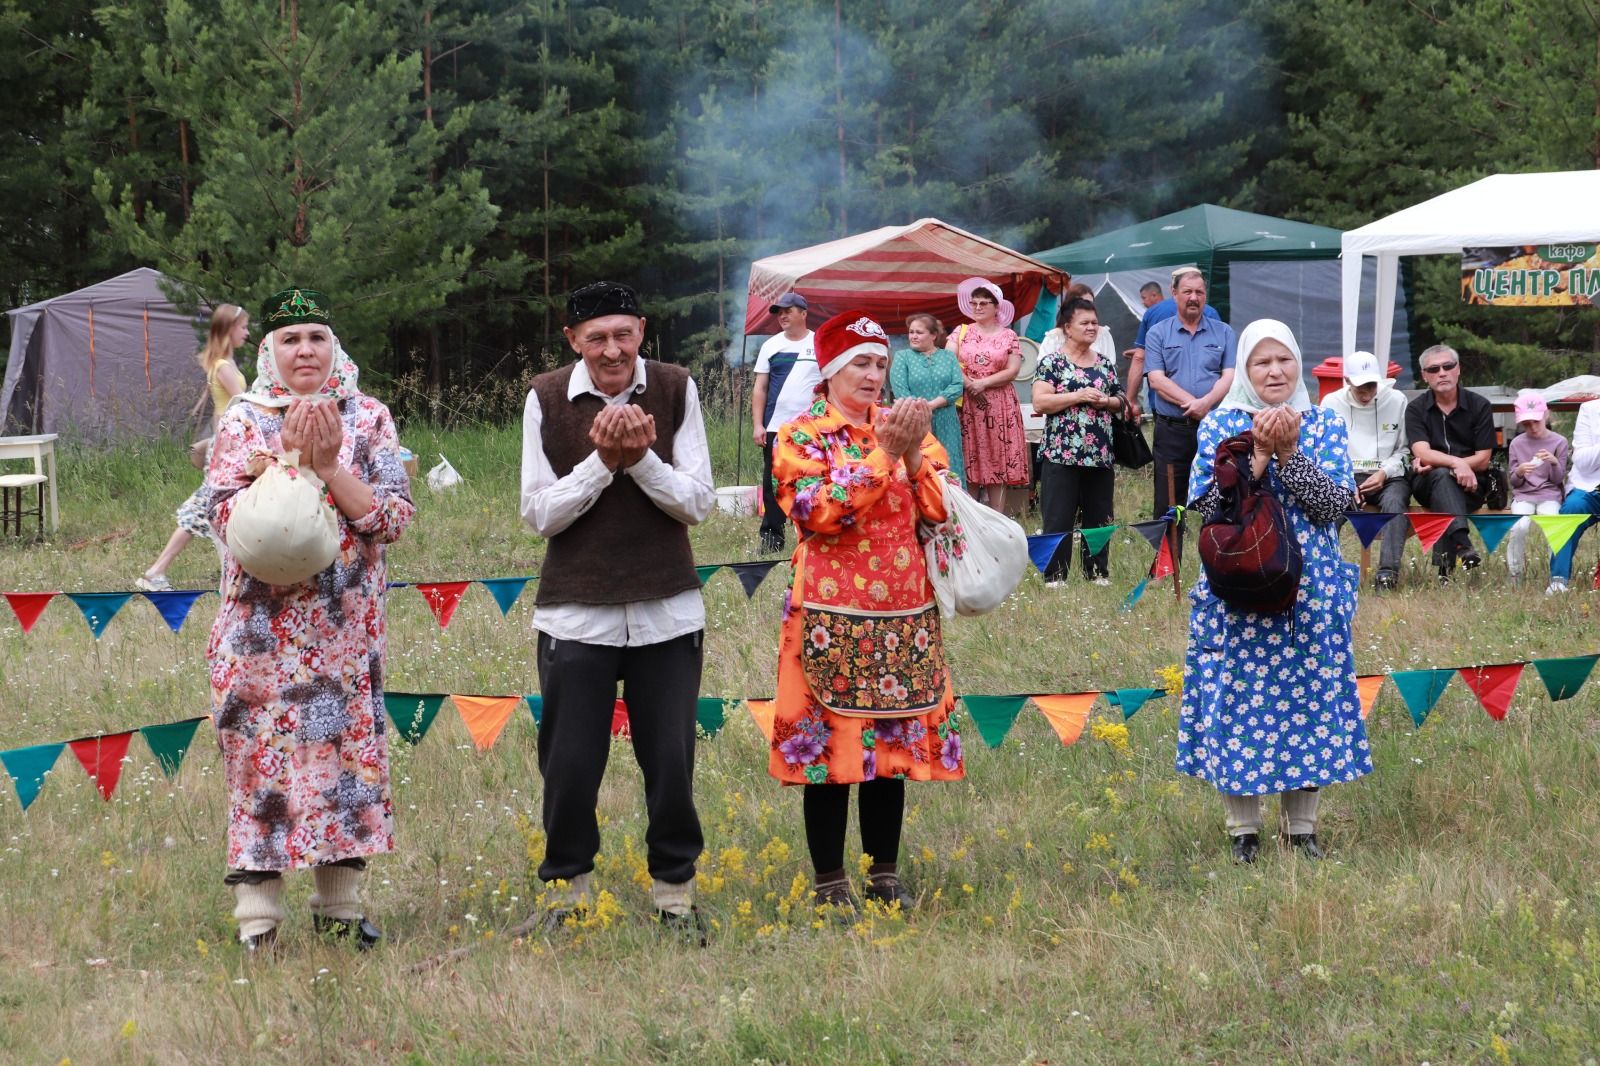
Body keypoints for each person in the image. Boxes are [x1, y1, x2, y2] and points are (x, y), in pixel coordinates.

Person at [206, 288, 414, 952]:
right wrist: (283, 467)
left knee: (343, 765)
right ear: (268, 351)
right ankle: (258, 922)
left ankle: (342, 911)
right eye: (291, 339)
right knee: (260, 766)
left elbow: (391, 519)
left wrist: (326, 466)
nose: (305, 351)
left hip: (344, 636)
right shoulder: (243, 420)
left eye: (317, 338)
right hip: (260, 638)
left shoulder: (371, 419)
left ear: (335, 349)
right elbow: (220, 514)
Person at [520, 281, 714, 942]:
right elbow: (539, 513)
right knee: (570, 763)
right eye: (595, 337)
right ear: (573, 340)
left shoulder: (676, 386)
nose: (612, 350)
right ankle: (567, 895)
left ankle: (675, 897)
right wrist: (603, 464)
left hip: (669, 611)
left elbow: (697, 502)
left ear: (641, 329)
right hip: (576, 614)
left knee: (670, 761)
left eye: (622, 334)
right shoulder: (546, 397)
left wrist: (642, 462)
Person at [769, 309, 964, 913]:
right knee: (828, 752)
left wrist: (908, 457)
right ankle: (830, 882)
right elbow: (818, 511)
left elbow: (940, 511)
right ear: (828, 373)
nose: (874, 374)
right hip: (829, 613)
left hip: (904, 614)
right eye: (861, 363)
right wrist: (884, 457)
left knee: (891, 752)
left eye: (881, 363)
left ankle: (885, 873)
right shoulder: (802, 434)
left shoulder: (911, 429)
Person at [1178, 319, 1372, 863]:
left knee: (1308, 697)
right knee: (1238, 699)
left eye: (1283, 360)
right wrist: (1257, 458)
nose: (1274, 371)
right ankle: (1243, 833)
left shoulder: (1326, 425)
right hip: (1238, 589)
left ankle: (1302, 830)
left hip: (1309, 591)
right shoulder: (1220, 425)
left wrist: (1289, 456)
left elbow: (1334, 507)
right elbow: (1208, 508)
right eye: (1261, 362)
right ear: (1244, 369)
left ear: (1297, 364)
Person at [135, 304, 250, 591]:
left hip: (229, 445)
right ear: (229, 330)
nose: (247, 332)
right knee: (204, 507)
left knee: (216, 507)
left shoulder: (224, 364)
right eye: (243, 327)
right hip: (227, 448)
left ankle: (232, 573)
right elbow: (243, 404)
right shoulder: (223, 367)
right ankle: (156, 571)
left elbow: (220, 413)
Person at [1032, 298, 1123, 584]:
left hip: (1099, 453)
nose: (1091, 327)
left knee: (1098, 516)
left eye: (1094, 322)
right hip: (1061, 453)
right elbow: (1041, 401)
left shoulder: (1105, 364)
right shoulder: (1052, 363)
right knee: (1058, 516)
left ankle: (1097, 572)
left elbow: (1122, 400)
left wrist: (1107, 401)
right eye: (1084, 323)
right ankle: (1055, 576)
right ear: (1067, 328)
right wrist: (1078, 395)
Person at [1142, 267, 1237, 532]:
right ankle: (1168, 569)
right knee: (1169, 503)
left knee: (1224, 497)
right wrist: (1195, 405)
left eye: (1199, 292)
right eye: (1187, 292)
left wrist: (1206, 405)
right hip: (1172, 431)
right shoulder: (1158, 334)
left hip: (1216, 430)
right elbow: (1157, 380)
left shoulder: (1224, 332)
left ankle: (1220, 564)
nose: (1194, 297)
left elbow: (1229, 376)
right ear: (1174, 294)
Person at [1320, 350, 1410, 590]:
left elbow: (1404, 450)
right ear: (1347, 380)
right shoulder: (1331, 403)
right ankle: (1326, 571)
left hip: (1387, 475)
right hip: (1344, 474)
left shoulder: (1397, 400)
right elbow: (1326, 451)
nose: (1366, 393)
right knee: (1331, 506)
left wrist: (1384, 473)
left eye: (1371, 386)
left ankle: (1387, 573)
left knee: (1395, 502)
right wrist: (1346, 483)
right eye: (1361, 387)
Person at [1405, 344, 1496, 577]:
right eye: (1434, 369)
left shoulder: (1480, 405)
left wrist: (1449, 463)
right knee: (1442, 477)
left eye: (1448, 366)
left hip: (1473, 484)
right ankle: (1463, 545)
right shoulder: (1415, 409)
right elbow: (1421, 452)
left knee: (1443, 482)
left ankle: (1447, 570)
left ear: (1459, 369)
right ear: (1425, 376)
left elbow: (1484, 458)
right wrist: (1458, 464)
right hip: (1428, 482)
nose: (1442, 372)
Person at [950, 278, 1029, 515]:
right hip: (968, 402)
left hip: (998, 402)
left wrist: (983, 383)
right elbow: (949, 360)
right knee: (969, 454)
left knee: (997, 455)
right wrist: (969, 384)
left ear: (997, 307)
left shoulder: (1008, 336)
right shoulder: (960, 332)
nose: (978, 307)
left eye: (984, 303)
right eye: (974, 303)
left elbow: (1013, 370)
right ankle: (970, 515)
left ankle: (997, 516)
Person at [750, 293, 818, 554]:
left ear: (803, 312)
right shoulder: (770, 345)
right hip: (776, 426)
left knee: (811, 480)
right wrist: (758, 425)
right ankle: (771, 539)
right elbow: (760, 388)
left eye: (788, 311)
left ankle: (812, 535)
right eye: (779, 312)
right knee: (772, 483)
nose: (783, 316)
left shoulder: (818, 343)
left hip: (810, 427)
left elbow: (828, 386)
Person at [1124, 266, 1221, 422]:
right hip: (1206, 407)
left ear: (1172, 287)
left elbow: (1139, 358)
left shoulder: (1153, 313)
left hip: (1166, 413)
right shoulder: (1210, 313)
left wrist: (1131, 399)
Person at [889, 312, 965, 487]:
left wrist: (932, 404)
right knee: (919, 463)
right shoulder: (902, 357)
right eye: (911, 332)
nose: (913, 336)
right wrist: (922, 410)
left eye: (919, 332)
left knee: (949, 461)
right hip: (914, 420)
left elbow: (957, 386)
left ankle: (952, 509)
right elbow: (901, 390)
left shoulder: (948, 357)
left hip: (946, 420)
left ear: (933, 335)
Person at [1504, 391, 1569, 583]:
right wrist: (1520, 472)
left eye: (1536, 422)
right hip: (1524, 495)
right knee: (1519, 527)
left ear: (1546, 415)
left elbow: (1558, 480)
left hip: (1549, 494)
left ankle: (1556, 573)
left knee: (1554, 524)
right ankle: (1515, 573)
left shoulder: (1559, 442)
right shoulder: (1516, 443)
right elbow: (1514, 482)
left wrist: (1555, 462)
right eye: (1526, 424)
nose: (1532, 428)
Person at [1548, 395, 1600, 593]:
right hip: (1589, 487)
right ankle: (1558, 580)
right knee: (1571, 509)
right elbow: (1582, 461)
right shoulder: (1589, 409)